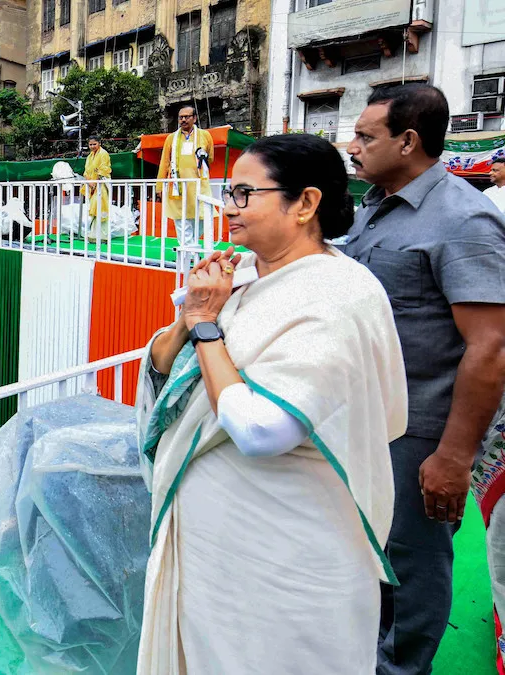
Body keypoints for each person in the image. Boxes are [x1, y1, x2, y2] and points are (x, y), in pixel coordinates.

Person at [137, 133, 407, 674]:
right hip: (217, 543)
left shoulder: (334, 295)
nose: (227, 208)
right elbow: (163, 366)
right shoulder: (246, 280)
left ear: (305, 204)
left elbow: (262, 431)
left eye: (242, 194)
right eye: (228, 192)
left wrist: (209, 328)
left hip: (282, 551)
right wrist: (192, 314)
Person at [342, 83, 505, 675]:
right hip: (368, 421)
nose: (353, 147)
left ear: (408, 141)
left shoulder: (462, 220)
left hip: (420, 434)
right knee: (371, 558)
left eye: (366, 136)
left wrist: (454, 457)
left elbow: (491, 346)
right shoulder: (375, 207)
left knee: (412, 569)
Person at [157, 105, 214, 245]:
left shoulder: (205, 136)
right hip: (178, 187)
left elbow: (210, 159)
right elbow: (164, 162)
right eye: (181, 117)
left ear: (194, 118)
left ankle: (191, 246)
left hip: (199, 185)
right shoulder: (171, 138)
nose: (183, 120)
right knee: (181, 219)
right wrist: (159, 186)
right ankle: (187, 253)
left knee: (202, 218)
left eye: (187, 116)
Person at [83, 136, 112, 241]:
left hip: (102, 183)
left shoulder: (103, 153)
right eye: (90, 144)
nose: (92, 146)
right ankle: (94, 235)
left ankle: (103, 236)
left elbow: (104, 169)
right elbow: (86, 171)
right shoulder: (89, 156)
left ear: (99, 143)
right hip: (92, 185)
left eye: (94, 144)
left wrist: (95, 182)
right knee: (94, 208)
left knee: (101, 207)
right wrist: (89, 182)